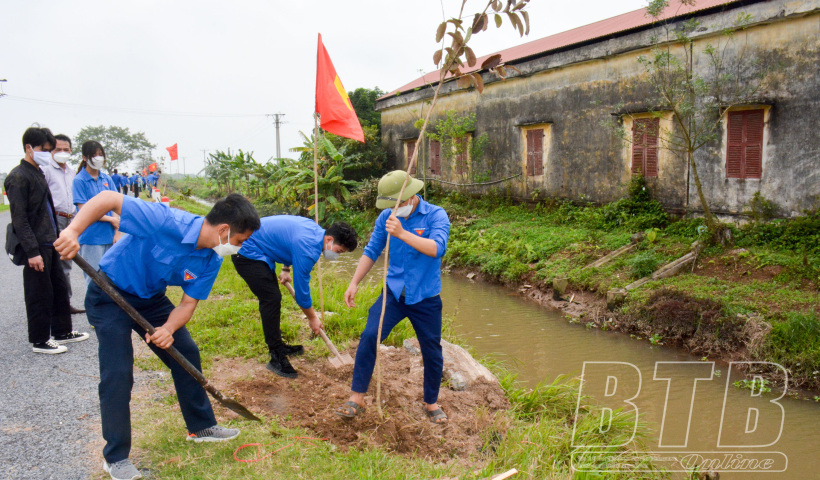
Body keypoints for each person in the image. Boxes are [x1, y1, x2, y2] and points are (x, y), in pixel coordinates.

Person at [54, 192, 260, 480]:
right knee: (118, 373)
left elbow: (188, 304)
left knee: (186, 351)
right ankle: (115, 458)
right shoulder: (164, 220)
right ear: (224, 230)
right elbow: (108, 198)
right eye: (239, 241)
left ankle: (201, 427)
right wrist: (73, 231)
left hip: (150, 300)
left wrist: (168, 329)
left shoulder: (211, 260)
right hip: (108, 292)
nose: (239, 247)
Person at [334, 171, 450, 424]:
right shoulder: (386, 217)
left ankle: (431, 402)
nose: (392, 211)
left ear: (409, 199)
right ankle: (357, 398)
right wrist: (354, 282)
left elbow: (437, 248)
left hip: (425, 297)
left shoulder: (435, 215)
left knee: (432, 350)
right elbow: (372, 250)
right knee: (369, 336)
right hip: (394, 294)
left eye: (395, 205)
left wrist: (403, 233)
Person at [233, 216, 357, 378]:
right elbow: (302, 292)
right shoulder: (308, 248)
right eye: (338, 251)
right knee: (271, 298)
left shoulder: (315, 231)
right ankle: (276, 356)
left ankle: (279, 346)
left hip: (261, 247)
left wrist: (285, 269)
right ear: (329, 239)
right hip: (247, 250)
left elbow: (289, 243)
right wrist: (312, 317)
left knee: (272, 297)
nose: (337, 256)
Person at [4, 126, 89, 354]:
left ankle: (62, 331)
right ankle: (40, 340)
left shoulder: (38, 172)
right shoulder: (18, 177)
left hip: (50, 240)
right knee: (38, 293)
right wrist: (32, 251)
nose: (48, 153)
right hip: (36, 245)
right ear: (29, 148)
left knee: (59, 289)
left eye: (49, 149)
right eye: (44, 149)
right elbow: (19, 219)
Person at [42, 134, 84, 314]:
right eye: (57, 149)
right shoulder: (46, 170)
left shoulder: (71, 172)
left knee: (66, 261)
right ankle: (56, 303)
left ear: (71, 151)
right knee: (55, 262)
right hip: (55, 218)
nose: (62, 153)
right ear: (50, 150)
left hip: (70, 218)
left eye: (66, 150)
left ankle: (65, 301)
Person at [72, 141, 120, 285]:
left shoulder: (107, 179)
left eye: (100, 155)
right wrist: (110, 219)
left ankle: (109, 308)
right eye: (94, 155)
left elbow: (116, 206)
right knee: (94, 280)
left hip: (110, 236)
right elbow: (84, 210)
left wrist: (117, 232)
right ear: (85, 158)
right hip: (91, 238)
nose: (98, 158)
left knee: (112, 278)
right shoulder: (79, 181)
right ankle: (92, 308)